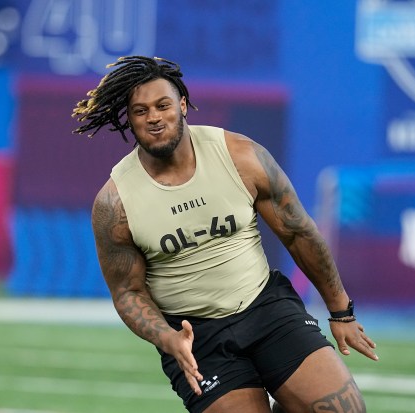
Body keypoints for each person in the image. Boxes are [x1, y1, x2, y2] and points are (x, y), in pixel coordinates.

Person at [72, 56, 378, 413]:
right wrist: (168, 339)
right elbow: (128, 292)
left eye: (163, 105)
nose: (153, 117)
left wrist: (341, 312)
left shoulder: (240, 156)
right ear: (130, 119)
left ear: (183, 105)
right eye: (140, 111)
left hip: (267, 309)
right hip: (196, 337)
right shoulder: (115, 202)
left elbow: (298, 233)